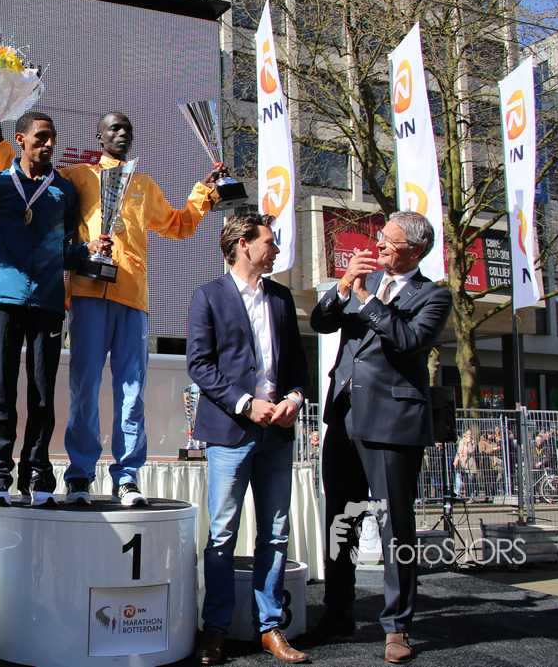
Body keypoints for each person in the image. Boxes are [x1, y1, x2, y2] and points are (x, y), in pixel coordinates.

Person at [0, 111, 106, 507]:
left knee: (42, 394)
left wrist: (86, 250)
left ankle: (38, 473)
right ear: (20, 139)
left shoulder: (64, 191)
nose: (49, 144)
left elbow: (64, 253)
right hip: (3, 299)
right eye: (41, 137)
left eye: (53, 138)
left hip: (48, 301)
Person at [308, 210, 452, 664]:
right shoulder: (362, 281)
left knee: (395, 528)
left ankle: (398, 626)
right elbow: (321, 323)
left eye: (389, 240)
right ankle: (338, 613)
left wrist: (368, 300)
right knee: (341, 521)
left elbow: (409, 340)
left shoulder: (434, 296)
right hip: (344, 417)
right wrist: (343, 286)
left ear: (416, 249)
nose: (379, 245)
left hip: (392, 425)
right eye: (380, 237)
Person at [59, 111, 221, 506]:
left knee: (132, 390)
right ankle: (79, 476)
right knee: (85, 387)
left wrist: (205, 191)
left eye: (127, 129)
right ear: (99, 137)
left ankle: (127, 476)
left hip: (133, 297)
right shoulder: (78, 176)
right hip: (88, 292)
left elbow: (178, 224)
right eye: (114, 128)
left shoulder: (144, 184)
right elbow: (36, 189)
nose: (122, 134)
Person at [188, 212, 309, 665]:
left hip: (278, 432)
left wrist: (294, 398)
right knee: (222, 535)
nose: (275, 249)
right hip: (230, 433)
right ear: (243, 244)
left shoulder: (281, 297)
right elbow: (199, 365)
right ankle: (216, 629)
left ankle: (270, 627)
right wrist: (245, 403)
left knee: (275, 534)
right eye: (269, 242)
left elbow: (297, 361)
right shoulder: (208, 296)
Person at [453, 430, 479, 500]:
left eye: (470, 434)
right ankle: (467, 496)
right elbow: (459, 451)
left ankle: (472, 496)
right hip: (463, 463)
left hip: (471, 463)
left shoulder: (473, 442)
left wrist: (469, 443)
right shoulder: (462, 441)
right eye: (468, 434)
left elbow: (471, 451)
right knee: (466, 481)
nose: (469, 436)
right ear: (465, 434)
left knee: (471, 480)